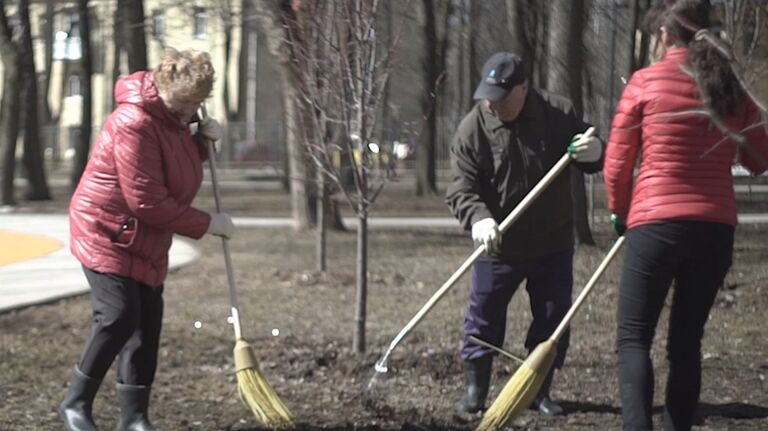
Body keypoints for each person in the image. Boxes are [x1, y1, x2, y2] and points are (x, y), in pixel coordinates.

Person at [603, 1, 768, 429]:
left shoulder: (645, 82)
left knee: (634, 338)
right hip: (715, 229)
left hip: (655, 225)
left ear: (664, 36)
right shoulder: (727, 87)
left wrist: (620, 214)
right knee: (686, 342)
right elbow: (760, 158)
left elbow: (618, 163)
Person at [60, 48, 235, 431]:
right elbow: (148, 200)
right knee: (119, 316)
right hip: (107, 231)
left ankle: (135, 418)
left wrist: (200, 145)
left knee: (147, 324)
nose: (192, 111)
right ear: (166, 87)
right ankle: (74, 404)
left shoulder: (173, 121)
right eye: (187, 102)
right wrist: (208, 223)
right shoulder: (133, 122)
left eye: (198, 104)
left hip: (146, 239)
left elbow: (171, 171)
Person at [445, 52, 604, 416]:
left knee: (552, 317)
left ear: (523, 89)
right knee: (483, 315)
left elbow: (592, 152)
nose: (492, 104)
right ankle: (476, 390)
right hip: (499, 243)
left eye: (500, 96)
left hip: (552, 241)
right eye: (487, 95)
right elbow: (460, 187)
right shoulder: (474, 128)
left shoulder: (558, 113)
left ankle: (538, 389)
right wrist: (478, 219)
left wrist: (593, 152)